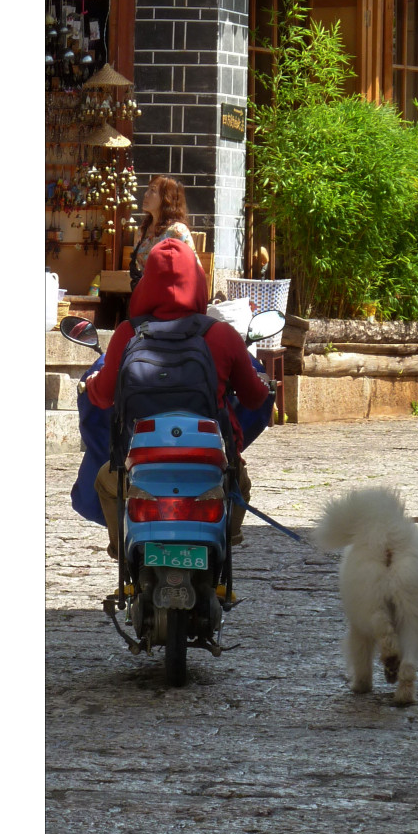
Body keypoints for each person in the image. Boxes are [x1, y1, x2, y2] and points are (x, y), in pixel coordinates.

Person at [86, 237, 269, 557]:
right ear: (198, 282)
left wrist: (91, 385)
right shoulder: (221, 335)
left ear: (146, 285)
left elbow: (101, 397)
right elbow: (254, 399)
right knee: (240, 482)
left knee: (106, 482)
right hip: (211, 465)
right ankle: (223, 550)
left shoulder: (127, 334)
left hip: (138, 466)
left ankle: (123, 557)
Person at [126, 175, 197, 274]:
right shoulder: (143, 230)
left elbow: (194, 270)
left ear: (166, 197)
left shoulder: (177, 231)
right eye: (148, 189)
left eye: (153, 190)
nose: (146, 194)